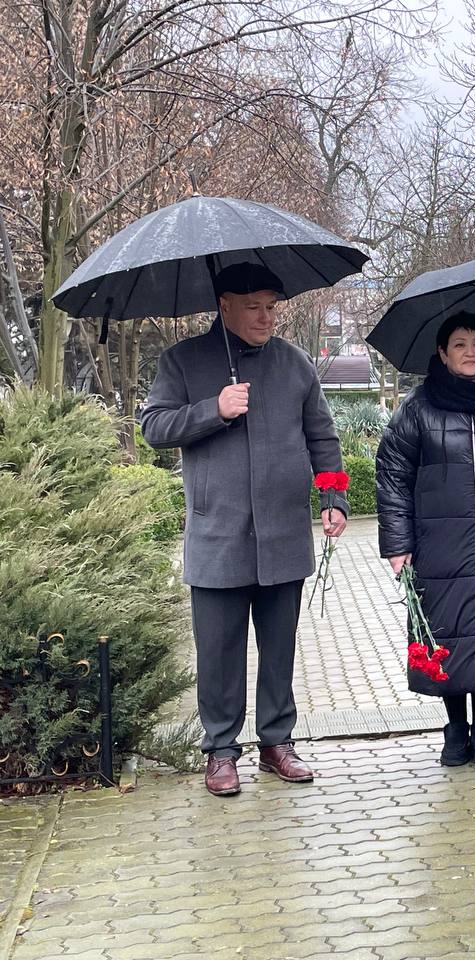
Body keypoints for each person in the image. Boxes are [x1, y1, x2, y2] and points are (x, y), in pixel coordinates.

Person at [141, 262, 348, 797]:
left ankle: (277, 742)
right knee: (219, 654)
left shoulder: (295, 364)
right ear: (225, 305)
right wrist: (213, 408)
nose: (265, 317)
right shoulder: (183, 360)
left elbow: (323, 437)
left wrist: (333, 496)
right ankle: (221, 750)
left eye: (271, 307)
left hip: (284, 536)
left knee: (279, 650)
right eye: (253, 306)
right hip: (217, 538)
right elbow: (153, 426)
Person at [375, 313, 475, 768]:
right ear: (442, 354)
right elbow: (392, 475)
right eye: (459, 344)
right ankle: (455, 727)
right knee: (447, 633)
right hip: (438, 544)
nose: (470, 351)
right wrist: (397, 543)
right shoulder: (418, 408)